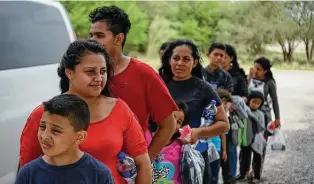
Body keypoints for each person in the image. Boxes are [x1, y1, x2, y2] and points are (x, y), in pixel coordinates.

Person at [19, 40, 152, 184]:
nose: (99, 78)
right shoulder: (45, 114)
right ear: (69, 72)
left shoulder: (120, 109)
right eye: (90, 72)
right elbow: (27, 169)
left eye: (103, 71)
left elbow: (143, 164)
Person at [89, 6, 178, 160]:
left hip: (126, 168)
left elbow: (168, 126)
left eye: (99, 35)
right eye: (91, 35)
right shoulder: (83, 72)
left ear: (119, 38)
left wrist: (143, 162)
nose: (92, 40)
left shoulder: (145, 74)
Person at [158, 39, 230, 184]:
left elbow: (224, 124)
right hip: (163, 156)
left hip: (194, 156)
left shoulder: (204, 89)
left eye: (186, 59)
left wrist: (198, 132)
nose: (180, 63)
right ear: (169, 60)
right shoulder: (159, 85)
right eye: (176, 58)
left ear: (195, 62)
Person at [16, 94, 115, 184]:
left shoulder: (100, 175)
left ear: (79, 137)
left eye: (56, 131)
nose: (44, 136)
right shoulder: (28, 174)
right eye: (42, 127)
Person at [222, 44, 248, 179]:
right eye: (219, 56)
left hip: (232, 116)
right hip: (214, 115)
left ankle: (230, 176)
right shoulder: (214, 73)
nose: (222, 59)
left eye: (225, 57)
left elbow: (245, 95)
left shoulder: (238, 74)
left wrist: (234, 102)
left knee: (231, 146)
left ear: (231, 58)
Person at [147, 101, 189, 184]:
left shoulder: (181, 149)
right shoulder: (144, 136)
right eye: (173, 117)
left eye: (178, 122)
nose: (173, 123)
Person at [237, 91, 266, 183]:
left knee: (257, 157)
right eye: (254, 101)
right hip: (245, 137)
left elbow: (262, 128)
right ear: (249, 100)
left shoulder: (260, 114)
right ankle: (243, 173)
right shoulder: (243, 111)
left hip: (257, 139)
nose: (255, 104)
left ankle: (256, 175)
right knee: (244, 157)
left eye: (258, 103)